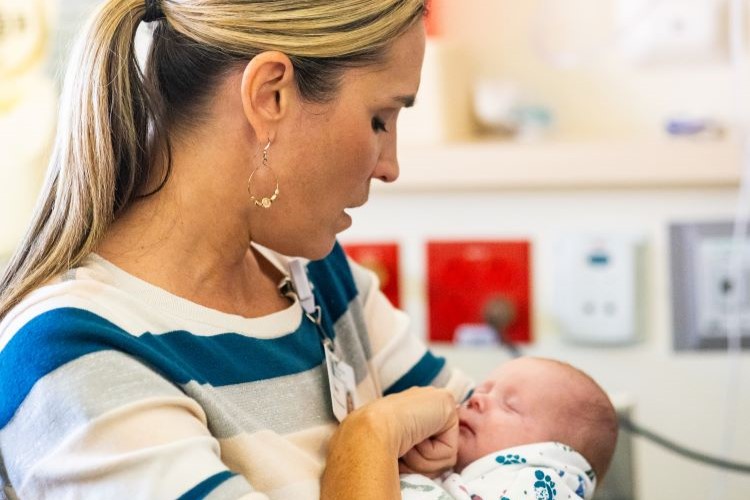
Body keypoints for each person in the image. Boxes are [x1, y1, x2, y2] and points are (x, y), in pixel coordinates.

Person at [0, 1, 474, 498]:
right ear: (270, 95)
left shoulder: (322, 282)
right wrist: (367, 437)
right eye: (380, 119)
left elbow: (514, 446)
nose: (390, 166)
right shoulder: (76, 355)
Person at [400, 357, 619, 500]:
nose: (476, 399)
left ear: (555, 453)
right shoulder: (459, 473)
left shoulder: (537, 486)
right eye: (482, 390)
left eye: (509, 406)